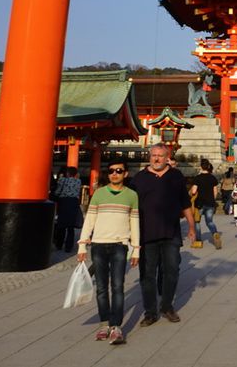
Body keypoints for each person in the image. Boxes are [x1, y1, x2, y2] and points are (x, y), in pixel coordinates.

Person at [129, 143, 195, 326]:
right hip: (146, 233)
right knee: (147, 274)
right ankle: (150, 312)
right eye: (153, 155)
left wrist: (191, 227)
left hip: (170, 232)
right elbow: (130, 206)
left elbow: (185, 203)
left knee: (171, 271)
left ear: (167, 158)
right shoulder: (139, 178)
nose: (156, 158)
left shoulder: (176, 176)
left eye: (160, 155)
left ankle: (166, 306)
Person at [77, 159, 139, 346]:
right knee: (102, 288)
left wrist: (136, 249)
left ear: (125, 174)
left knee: (118, 286)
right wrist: (82, 245)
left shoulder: (132, 195)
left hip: (120, 245)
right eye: (111, 171)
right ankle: (104, 324)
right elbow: (89, 220)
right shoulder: (99, 194)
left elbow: (134, 222)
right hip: (98, 244)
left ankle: (116, 326)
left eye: (119, 171)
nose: (114, 174)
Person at [190, 160, 221, 249]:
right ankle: (215, 233)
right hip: (210, 203)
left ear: (201, 167)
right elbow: (215, 192)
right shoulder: (212, 178)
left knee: (197, 222)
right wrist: (212, 200)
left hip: (199, 203)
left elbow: (194, 191)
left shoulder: (197, 178)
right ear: (208, 167)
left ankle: (199, 241)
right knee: (209, 221)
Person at [53, 166, 83, 252]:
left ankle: (59, 244)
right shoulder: (78, 181)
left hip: (64, 202)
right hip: (74, 202)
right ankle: (68, 247)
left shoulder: (62, 180)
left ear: (67, 173)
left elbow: (58, 191)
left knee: (61, 225)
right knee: (70, 226)